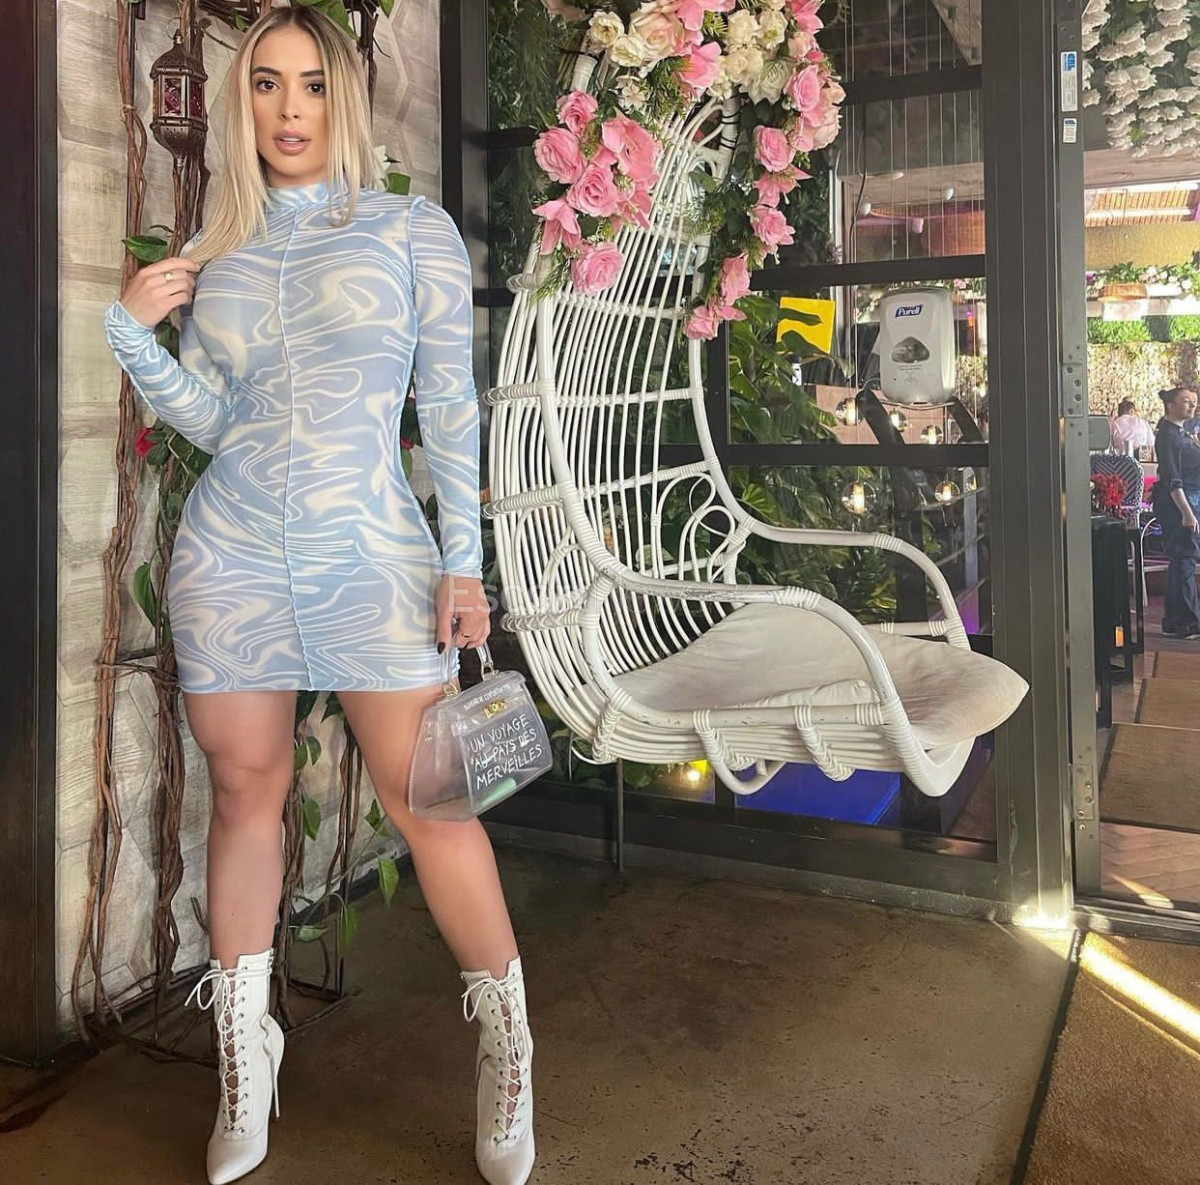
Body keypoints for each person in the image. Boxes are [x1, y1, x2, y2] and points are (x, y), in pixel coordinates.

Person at [103, 10, 533, 1185]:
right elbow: (217, 420)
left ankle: (508, 1047)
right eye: (265, 86)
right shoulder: (220, 249)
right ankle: (247, 1054)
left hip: (374, 559)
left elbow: (450, 404)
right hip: (231, 559)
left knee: (431, 804)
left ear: (342, 99)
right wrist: (134, 340)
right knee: (246, 793)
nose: (289, 109)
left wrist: (464, 563)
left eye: (310, 85)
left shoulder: (409, 229)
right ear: (240, 104)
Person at [1152, 386, 1200, 639]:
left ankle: (1174, 621)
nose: (1191, 406)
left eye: (1194, 402)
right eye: (1186, 401)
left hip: (1191, 499)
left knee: (1181, 559)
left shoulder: (1182, 433)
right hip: (1179, 503)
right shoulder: (1168, 436)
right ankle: (1188, 621)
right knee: (1185, 557)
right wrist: (1186, 512)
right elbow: (1172, 477)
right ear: (1170, 405)